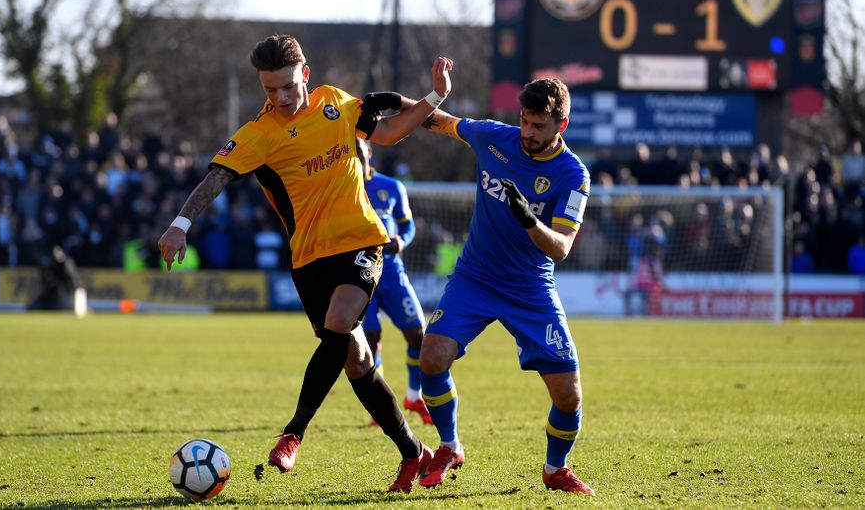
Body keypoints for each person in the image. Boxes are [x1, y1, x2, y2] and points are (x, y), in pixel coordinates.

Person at [157, 34, 453, 493]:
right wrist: (180, 224)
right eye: (269, 90)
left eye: (287, 87)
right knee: (355, 360)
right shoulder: (260, 134)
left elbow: (391, 129)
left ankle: (293, 433)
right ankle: (415, 454)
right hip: (309, 258)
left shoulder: (336, 103)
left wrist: (436, 98)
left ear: (306, 76)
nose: (279, 98)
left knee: (339, 322)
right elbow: (217, 177)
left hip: (362, 241)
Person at [411, 78, 595, 494]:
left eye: (538, 126)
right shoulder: (495, 137)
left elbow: (562, 248)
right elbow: (439, 121)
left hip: (530, 288)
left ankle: (555, 469)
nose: (527, 133)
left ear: (561, 126)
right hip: (475, 278)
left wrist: (529, 220)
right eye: (524, 121)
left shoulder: (573, 175)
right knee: (432, 357)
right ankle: (449, 445)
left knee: (569, 396)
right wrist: (385, 105)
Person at [356, 138, 432, 426]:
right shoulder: (342, 189)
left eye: (361, 153)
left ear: (369, 154)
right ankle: (381, 406)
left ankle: (414, 396)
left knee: (418, 335)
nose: (357, 159)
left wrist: (403, 240)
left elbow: (407, 224)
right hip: (361, 273)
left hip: (393, 272)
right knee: (371, 339)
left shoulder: (391, 187)